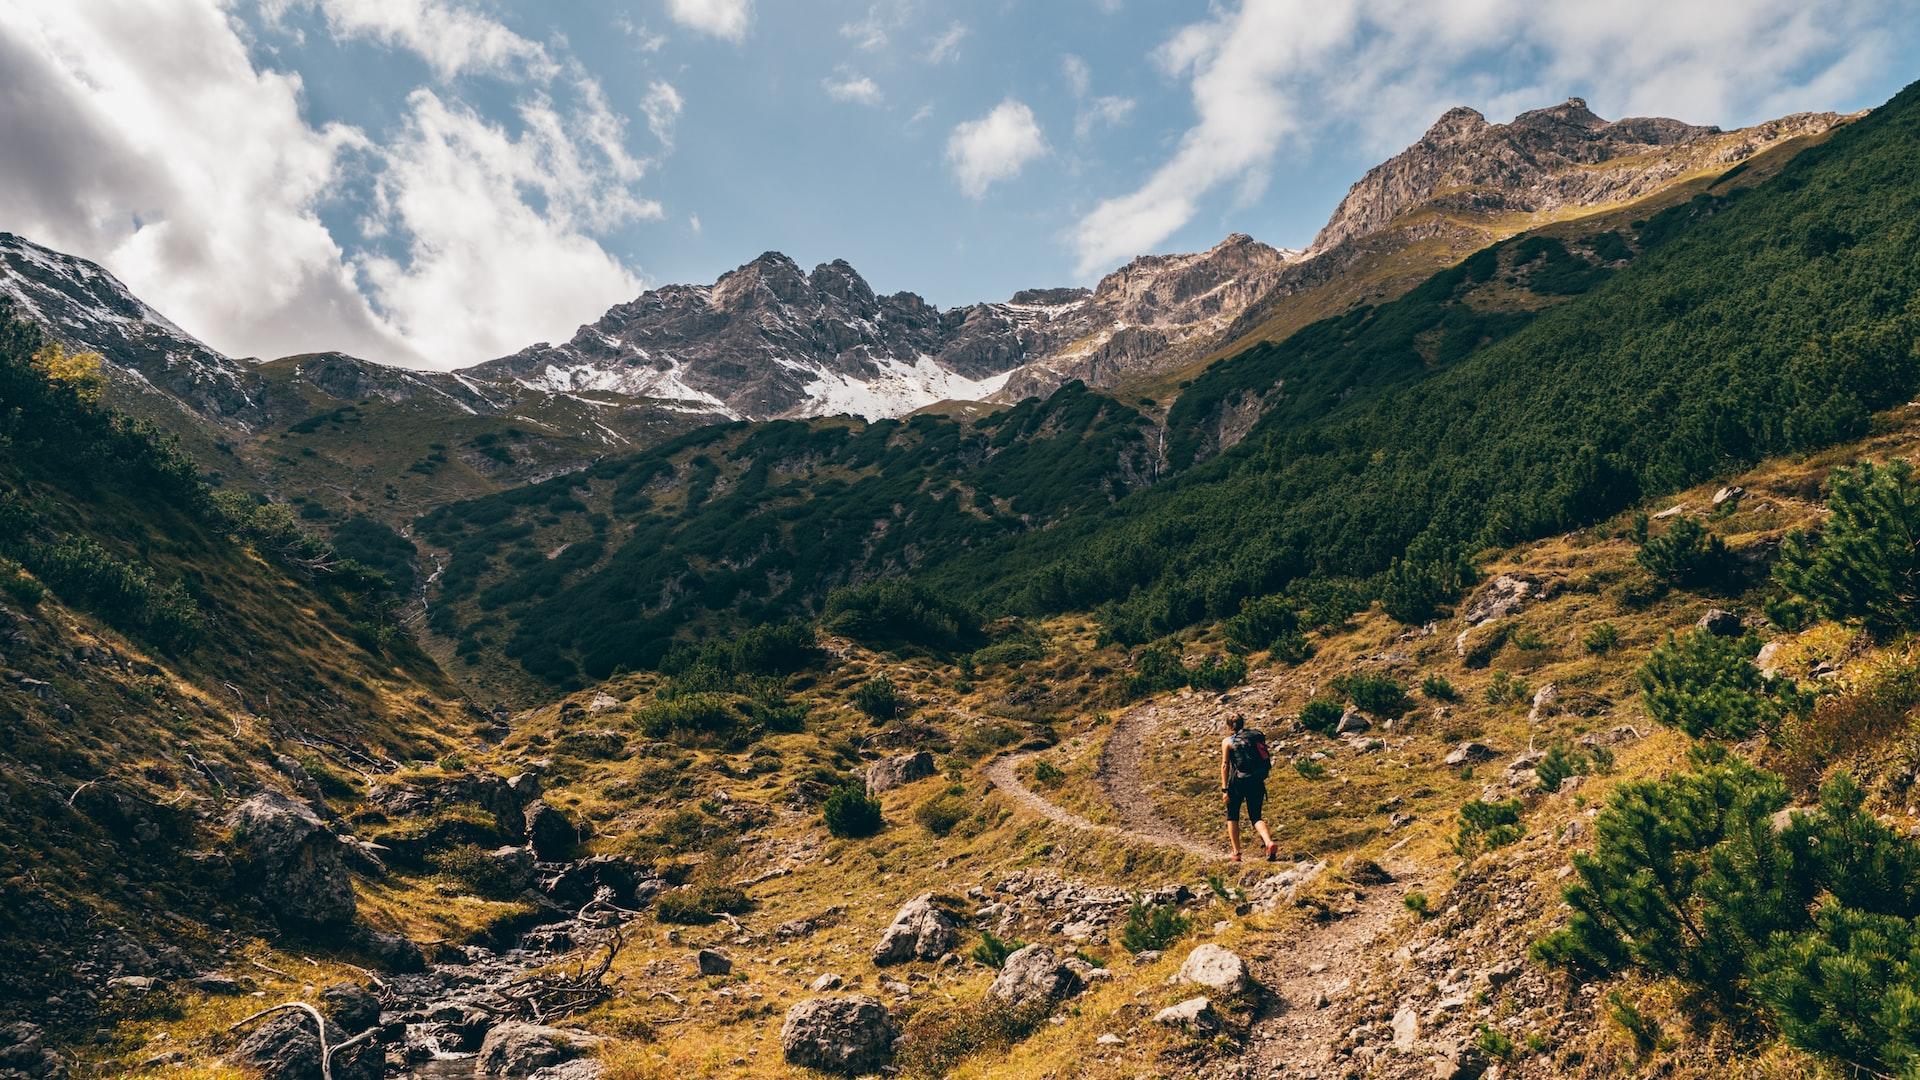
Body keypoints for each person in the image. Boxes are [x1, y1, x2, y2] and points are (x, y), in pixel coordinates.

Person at [1221, 714, 1276, 862]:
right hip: (1257, 780)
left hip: (1237, 782)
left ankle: (1236, 852)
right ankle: (1268, 842)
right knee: (1256, 816)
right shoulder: (1255, 736)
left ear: (1229, 726)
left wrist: (1225, 789)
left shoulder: (1228, 741)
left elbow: (1225, 765)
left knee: (1232, 815)